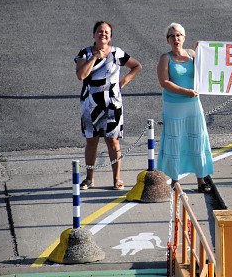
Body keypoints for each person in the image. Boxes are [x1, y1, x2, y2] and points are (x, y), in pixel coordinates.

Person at [75, 21, 142, 190]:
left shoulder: (117, 53)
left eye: (106, 32)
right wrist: (95, 57)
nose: (103, 34)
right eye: (99, 31)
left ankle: (117, 178)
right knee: (91, 141)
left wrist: (124, 81)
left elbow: (136, 65)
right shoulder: (85, 53)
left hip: (112, 104)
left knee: (113, 141)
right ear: (94, 35)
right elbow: (81, 75)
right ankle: (89, 179)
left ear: (110, 36)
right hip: (90, 103)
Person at [156, 23, 214, 192]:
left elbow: (205, 71)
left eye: (179, 35)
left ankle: (201, 180)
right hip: (174, 106)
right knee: (175, 140)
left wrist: (201, 53)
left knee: (196, 139)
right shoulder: (165, 58)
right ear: (168, 40)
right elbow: (164, 82)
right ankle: (175, 180)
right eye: (172, 36)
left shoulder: (191, 54)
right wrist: (185, 92)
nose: (176, 39)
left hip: (193, 105)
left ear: (184, 37)